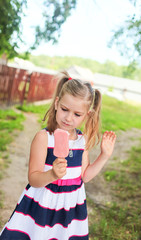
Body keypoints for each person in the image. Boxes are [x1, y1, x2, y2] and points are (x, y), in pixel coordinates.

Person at [0, 71, 116, 240]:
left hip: (69, 208)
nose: (69, 118)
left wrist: (104, 155)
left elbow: (85, 176)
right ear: (56, 103)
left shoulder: (81, 142)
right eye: (64, 109)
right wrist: (52, 174)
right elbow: (34, 179)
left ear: (87, 115)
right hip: (43, 203)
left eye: (77, 114)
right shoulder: (44, 138)